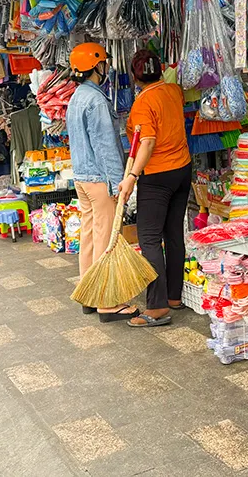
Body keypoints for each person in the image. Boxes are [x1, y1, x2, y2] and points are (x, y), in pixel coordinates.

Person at [118, 49, 191, 329]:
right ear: (160, 70)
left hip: (157, 175)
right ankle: (173, 296)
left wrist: (132, 177)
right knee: (173, 234)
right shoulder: (174, 91)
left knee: (149, 238)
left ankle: (158, 307)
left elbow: (146, 141)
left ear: (135, 77)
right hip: (182, 169)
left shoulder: (143, 102)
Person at [66, 42, 138, 323]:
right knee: (106, 239)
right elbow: (106, 145)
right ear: (96, 66)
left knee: (88, 237)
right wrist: (119, 183)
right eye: (103, 63)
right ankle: (107, 303)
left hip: (83, 178)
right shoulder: (95, 100)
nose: (106, 67)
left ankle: (88, 294)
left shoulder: (77, 97)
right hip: (99, 179)